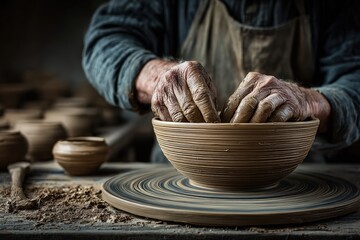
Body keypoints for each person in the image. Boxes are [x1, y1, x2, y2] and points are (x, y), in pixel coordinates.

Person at [83, 0, 360, 163]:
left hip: (303, 178)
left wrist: (308, 100)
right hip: (180, 177)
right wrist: (157, 77)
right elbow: (106, 40)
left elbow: (354, 80)